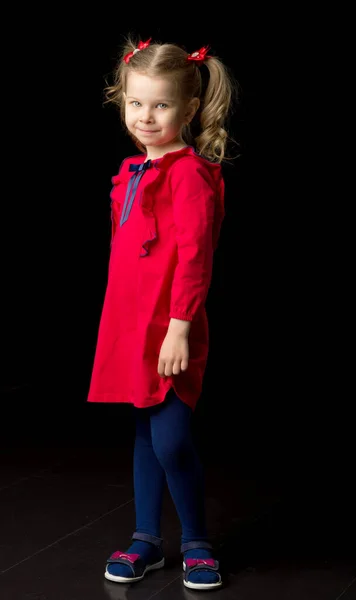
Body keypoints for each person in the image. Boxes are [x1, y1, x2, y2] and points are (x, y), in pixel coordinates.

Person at [87, 35, 236, 591]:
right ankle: (146, 539)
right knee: (146, 433)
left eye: (161, 105)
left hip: (170, 327)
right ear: (121, 100)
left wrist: (179, 328)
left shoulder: (190, 174)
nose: (146, 117)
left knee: (171, 436)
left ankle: (196, 538)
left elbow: (196, 258)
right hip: (129, 325)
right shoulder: (130, 171)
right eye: (135, 103)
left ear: (189, 108)